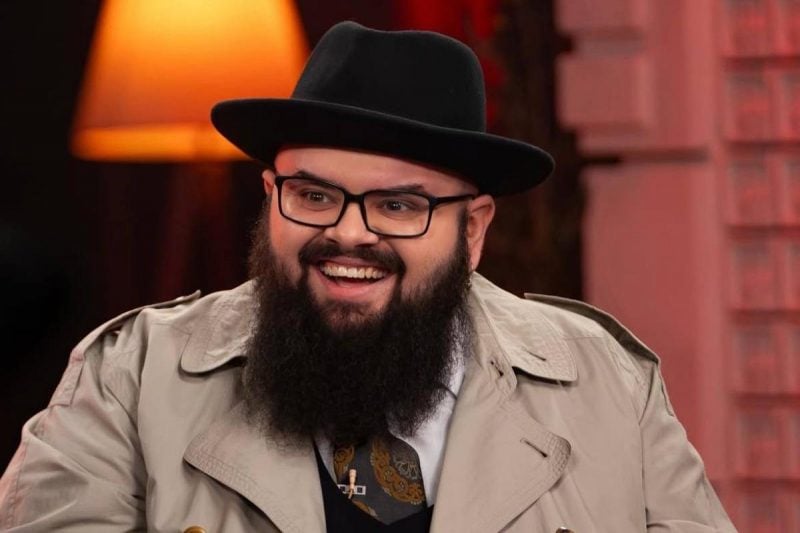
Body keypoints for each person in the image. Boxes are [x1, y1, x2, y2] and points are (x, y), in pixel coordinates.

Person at [0, 21, 736, 533]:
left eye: (399, 205)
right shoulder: (128, 378)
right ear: (271, 196)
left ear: (472, 230)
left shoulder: (611, 384)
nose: (349, 233)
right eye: (314, 195)